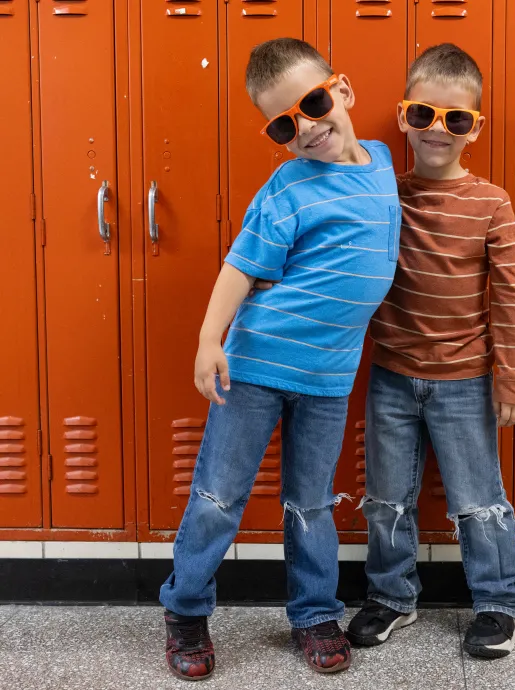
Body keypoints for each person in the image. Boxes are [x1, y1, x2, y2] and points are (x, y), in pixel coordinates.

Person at [158, 37, 400, 680]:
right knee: (219, 495)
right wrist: (211, 341)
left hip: (328, 377)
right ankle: (185, 609)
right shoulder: (289, 184)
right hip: (258, 365)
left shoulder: (380, 164)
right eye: (285, 124)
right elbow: (242, 264)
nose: (308, 127)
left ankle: (315, 613)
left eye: (314, 102)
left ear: (342, 90)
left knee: (311, 502)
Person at [346, 43, 515, 659]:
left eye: (456, 119)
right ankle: (391, 596)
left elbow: (509, 298)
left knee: (479, 500)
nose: (437, 130)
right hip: (393, 376)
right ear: (403, 117)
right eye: (423, 115)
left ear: (475, 128)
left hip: (465, 380)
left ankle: (501, 603)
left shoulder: (492, 203)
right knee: (385, 498)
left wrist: (513, 377)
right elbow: (337, 251)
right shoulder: (385, 196)